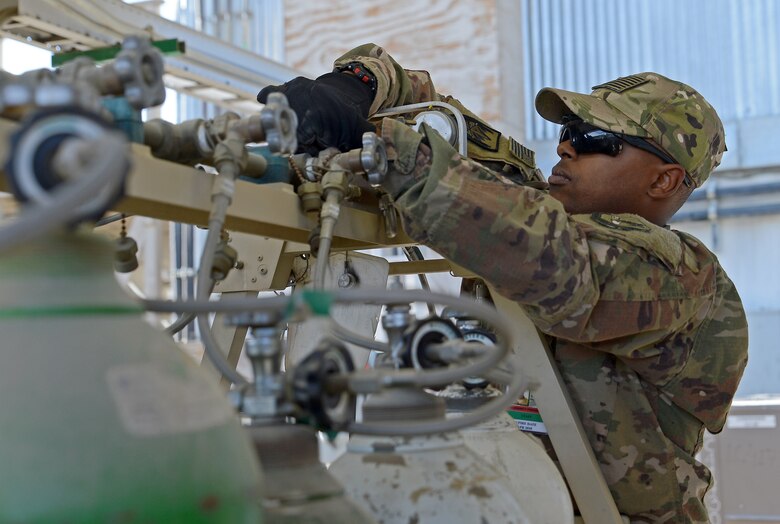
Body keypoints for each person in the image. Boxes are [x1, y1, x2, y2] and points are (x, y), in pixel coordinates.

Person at [259, 43, 749, 523]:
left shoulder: (684, 277)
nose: (564, 146)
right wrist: (355, 88)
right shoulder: (528, 207)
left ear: (663, 181)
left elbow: (558, 262)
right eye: (568, 130)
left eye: (596, 139)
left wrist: (393, 152)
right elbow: (439, 117)